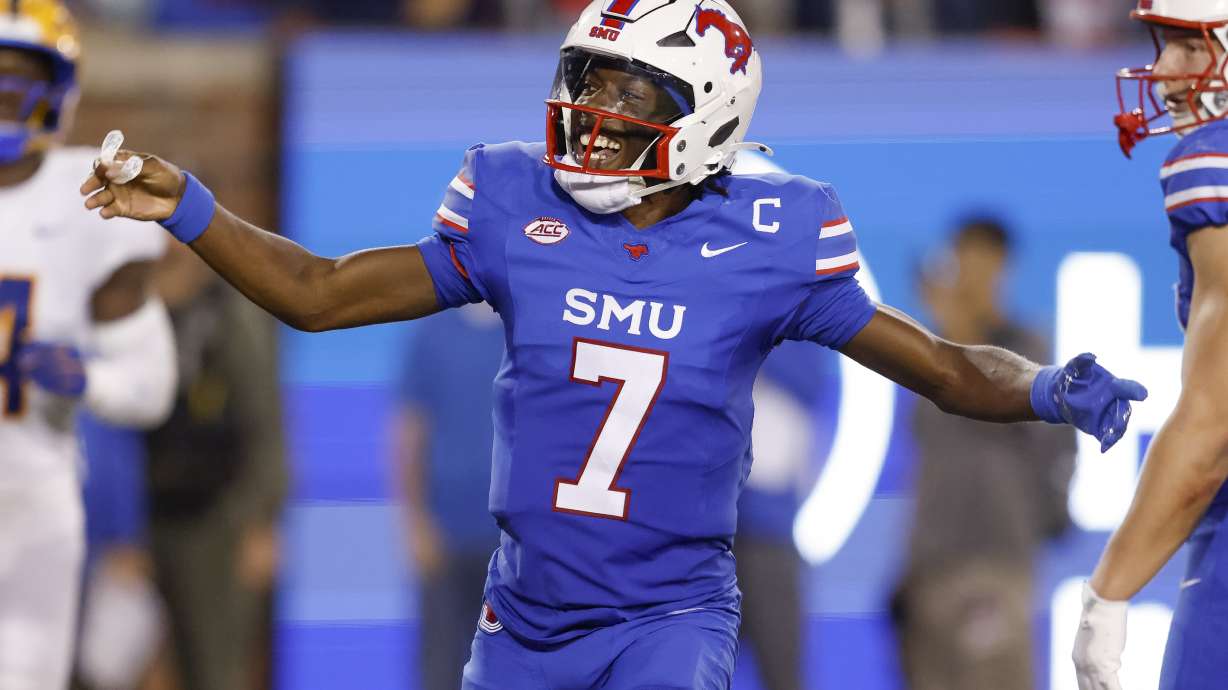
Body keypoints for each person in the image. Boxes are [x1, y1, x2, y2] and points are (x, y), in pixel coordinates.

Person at [81, 1, 1145, 686]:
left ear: (709, 115)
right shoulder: (513, 206)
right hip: (523, 619)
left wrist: (1048, 386)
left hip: (665, 619)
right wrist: (195, 212)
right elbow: (318, 293)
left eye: (627, 92)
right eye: (586, 82)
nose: (591, 110)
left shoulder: (771, 236)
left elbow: (947, 368)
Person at [0, 3, 176, 689]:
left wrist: (90, 382)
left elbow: (151, 385)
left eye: (19, 78)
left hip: (33, 497)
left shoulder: (89, 202)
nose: (6, 95)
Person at [1074, 2, 1228, 689]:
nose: (1163, 72)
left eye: (1188, 49)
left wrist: (1109, 587)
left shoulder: (1212, 164)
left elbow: (1216, 421)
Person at [893, 219, 1076, 690]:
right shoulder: (928, 353)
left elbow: (1031, 431)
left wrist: (955, 326)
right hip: (933, 557)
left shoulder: (1028, 348)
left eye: (981, 260)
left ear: (1002, 266)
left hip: (998, 553)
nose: (969, 274)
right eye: (962, 259)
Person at [393, 303, 504, 690]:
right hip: (445, 536)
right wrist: (416, 524)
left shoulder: (526, 330)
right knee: (439, 666)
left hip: (512, 542)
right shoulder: (432, 333)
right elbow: (409, 432)